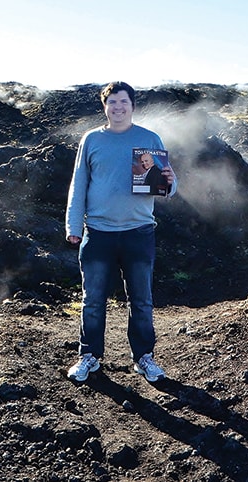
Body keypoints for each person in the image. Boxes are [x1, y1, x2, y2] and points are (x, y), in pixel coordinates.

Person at [65, 81, 177, 383]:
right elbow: (79, 184)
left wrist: (169, 180)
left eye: (123, 102)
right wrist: (73, 226)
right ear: (105, 106)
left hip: (138, 233)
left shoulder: (149, 138)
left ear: (132, 105)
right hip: (98, 232)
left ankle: (144, 357)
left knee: (141, 300)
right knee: (92, 299)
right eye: (112, 102)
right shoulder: (91, 140)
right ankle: (89, 356)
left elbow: (167, 186)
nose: (118, 107)